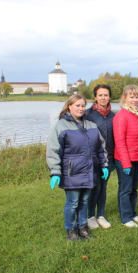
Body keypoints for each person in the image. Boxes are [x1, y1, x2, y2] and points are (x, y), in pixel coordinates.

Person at [46, 95, 109, 241]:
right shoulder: (61, 126)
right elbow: (53, 150)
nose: (80, 108)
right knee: (73, 203)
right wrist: (55, 171)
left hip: (89, 171)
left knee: (85, 202)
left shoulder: (91, 125)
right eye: (77, 105)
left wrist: (104, 164)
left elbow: (101, 148)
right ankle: (71, 230)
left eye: (82, 106)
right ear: (69, 106)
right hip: (72, 172)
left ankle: (82, 227)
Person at [113, 85, 138, 228]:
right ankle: (125, 217)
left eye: (136, 97)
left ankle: (132, 213)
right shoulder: (121, 116)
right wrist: (126, 163)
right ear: (125, 98)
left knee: (134, 188)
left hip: (137, 157)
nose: (134, 99)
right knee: (125, 189)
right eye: (131, 97)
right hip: (125, 159)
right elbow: (119, 141)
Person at [84, 84, 115, 230]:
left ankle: (100, 215)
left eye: (106, 95)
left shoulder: (113, 115)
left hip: (109, 158)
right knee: (93, 187)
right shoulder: (88, 114)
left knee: (103, 187)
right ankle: (90, 216)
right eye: (100, 95)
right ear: (95, 97)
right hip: (93, 159)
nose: (103, 98)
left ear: (110, 97)